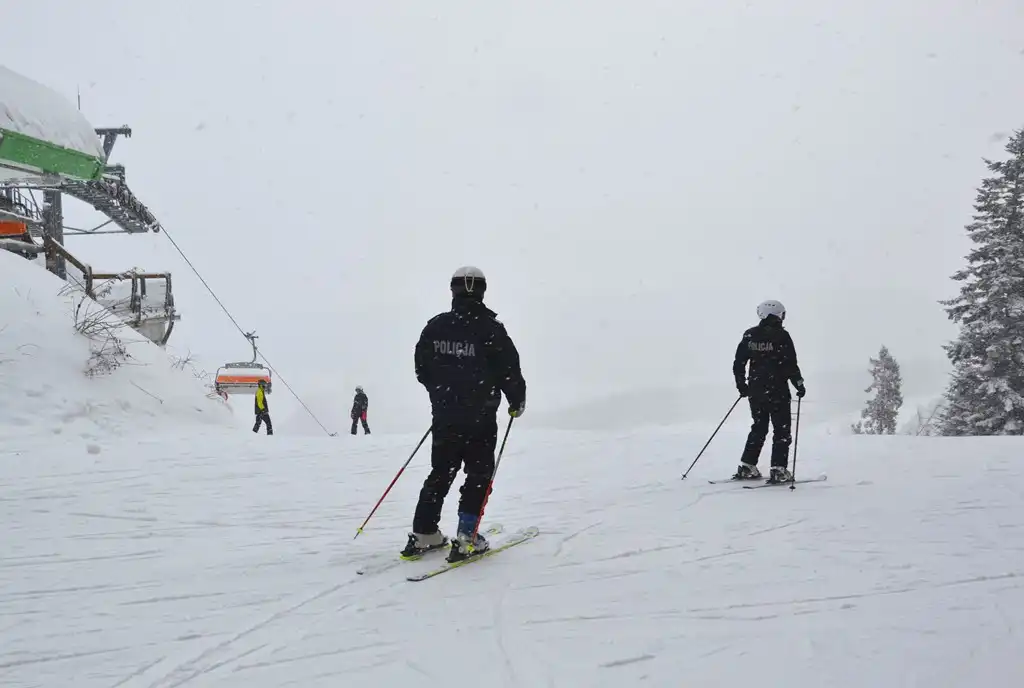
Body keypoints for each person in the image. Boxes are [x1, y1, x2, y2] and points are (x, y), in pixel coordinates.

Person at [401, 266, 527, 563]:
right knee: (479, 473)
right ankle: (466, 536)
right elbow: (509, 369)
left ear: (452, 290)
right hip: (480, 416)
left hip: (446, 415)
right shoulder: (491, 328)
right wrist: (515, 400)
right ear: (482, 291)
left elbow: (422, 368)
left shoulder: (436, 327)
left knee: (441, 472)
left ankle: (424, 533)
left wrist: (442, 392)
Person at [732, 300, 805, 484]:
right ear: (778, 315)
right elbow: (790, 365)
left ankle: (747, 465)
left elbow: (739, 363)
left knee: (758, 427)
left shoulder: (750, 335)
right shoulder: (782, 336)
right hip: (778, 391)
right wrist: (799, 384)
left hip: (756, 391)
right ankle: (778, 469)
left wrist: (742, 385)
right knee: (781, 430)